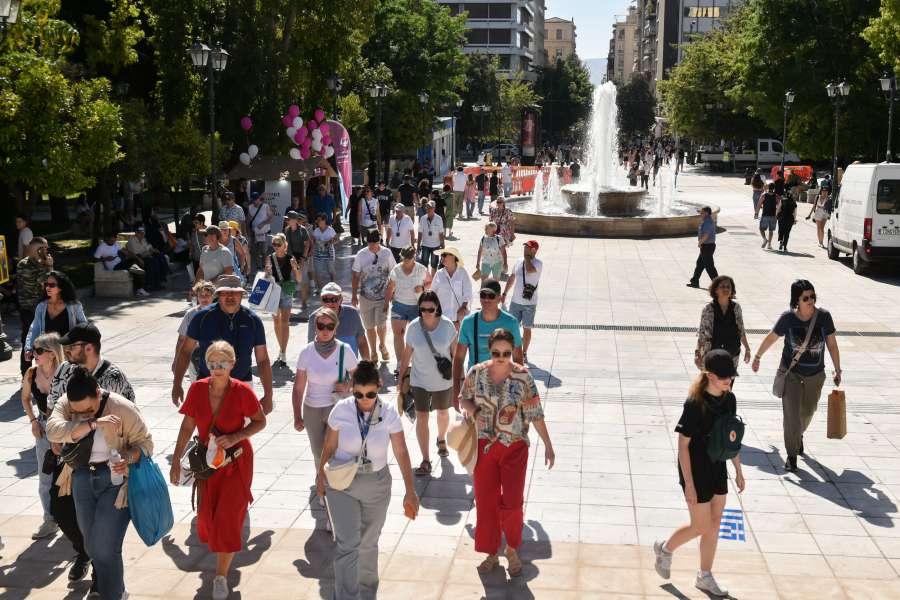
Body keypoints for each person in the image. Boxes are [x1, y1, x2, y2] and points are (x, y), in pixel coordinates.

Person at [46, 365, 153, 600]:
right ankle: (118, 590)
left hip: (115, 480)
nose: (84, 414)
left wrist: (127, 457)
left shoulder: (121, 407)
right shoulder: (67, 402)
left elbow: (146, 444)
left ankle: (112, 595)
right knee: (92, 547)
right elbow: (52, 430)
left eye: (89, 410)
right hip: (82, 477)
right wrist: (94, 423)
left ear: (98, 392)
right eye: (79, 412)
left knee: (105, 548)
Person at [170, 341, 267, 600]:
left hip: (236, 461)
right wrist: (175, 460)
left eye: (223, 363)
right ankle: (221, 567)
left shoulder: (242, 390)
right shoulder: (197, 389)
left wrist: (237, 436)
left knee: (227, 517)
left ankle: (220, 577)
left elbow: (260, 422)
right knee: (207, 517)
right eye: (212, 364)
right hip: (209, 463)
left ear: (232, 365)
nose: (217, 368)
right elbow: (187, 426)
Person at [316, 361, 419, 600]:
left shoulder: (390, 413)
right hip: (343, 485)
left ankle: (367, 596)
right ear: (352, 388)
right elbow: (330, 445)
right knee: (348, 546)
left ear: (380, 386)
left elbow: (401, 451)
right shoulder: (340, 410)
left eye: (371, 394)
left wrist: (410, 490)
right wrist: (320, 477)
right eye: (359, 394)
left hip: (377, 484)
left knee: (369, 545)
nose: (364, 399)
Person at [459, 328, 554, 578]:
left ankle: (511, 549)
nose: (501, 357)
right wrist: (475, 413)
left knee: (512, 503)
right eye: (496, 352)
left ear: (514, 351)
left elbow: (535, 414)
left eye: (507, 353)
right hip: (484, 447)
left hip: (514, 447)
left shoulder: (524, 377)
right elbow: (463, 399)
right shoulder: (476, 372)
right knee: (486, 503)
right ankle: (492, 553)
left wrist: (548, 444)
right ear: (489, 350)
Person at [653, 350, 745, 597]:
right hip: (695, 470)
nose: (728, 380)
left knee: (715, 523)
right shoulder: (695, 404)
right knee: (700, 525)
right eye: (723, 376)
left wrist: (738, 469)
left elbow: (730, 438)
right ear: (708, 374)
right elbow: (683, 446)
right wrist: (689, 485)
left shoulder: (730, 399)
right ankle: (665, 548)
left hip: (718, 467)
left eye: (731, 376)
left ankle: (705, 576)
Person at [751, 280, 841, 472]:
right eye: (805, 298)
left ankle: (797, 435)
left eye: (812, 296)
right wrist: (758, 356)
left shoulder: (824, 317)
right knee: (791, 415)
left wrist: (837, 369)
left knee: (808, 412)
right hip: (791, 373)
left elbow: (832, 344)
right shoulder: (788, 319)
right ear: (796, 300)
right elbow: (772, 337)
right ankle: (791, 456)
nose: (811, 300)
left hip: (815, 375)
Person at [172, 275, 274, 414]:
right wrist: (177, 384)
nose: (230, 296)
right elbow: (185, 351)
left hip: (243, 385)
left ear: (241, 295)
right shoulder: (201, 317)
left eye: (235, 292)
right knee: (204, 433)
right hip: (207, 385)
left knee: (242, 433)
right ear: (218, 295)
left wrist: (268, 394)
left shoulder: (253, 320)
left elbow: (262, 359)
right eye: (225, 292)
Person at [293, 308, 358, 524]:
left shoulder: (344, 350)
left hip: (336, 408)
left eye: (330, 326)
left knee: (334, 453)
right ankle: (322, 481)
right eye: (321, 326)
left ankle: (331, 493)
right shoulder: (307, 352)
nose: (325, 330)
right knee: (318, 451)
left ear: (336, 328)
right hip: (312, 408)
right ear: (315, 327)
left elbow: (360, 378)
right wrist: (296, 415)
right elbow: (299, 387)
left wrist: (348, 384)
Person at [397, 291, 458, 476]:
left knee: (443, 412)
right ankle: (425, 460)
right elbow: (407, 354)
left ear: (437, 307)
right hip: (419, 380)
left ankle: (441, 440)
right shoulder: (414, 327)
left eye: (430, 309)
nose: (426, 312)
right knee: (422, 418)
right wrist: (400, 378)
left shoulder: (447, 326)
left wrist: (461, 379)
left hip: (443, 381)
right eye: (422, 309)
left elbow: (456, 354)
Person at [22, 332, 64, 540]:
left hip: (66, 427)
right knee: (45, 473)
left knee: (70, 473)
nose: (33, 354)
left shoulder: (66, 373)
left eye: (39, 351)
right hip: (43, 426)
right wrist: (33, 421)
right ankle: (49, 519)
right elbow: (25, 398)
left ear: (52, 354)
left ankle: (72, 518)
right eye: (33, 350)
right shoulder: (31, 373)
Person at [453, 278, 524, 401]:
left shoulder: (511, 323)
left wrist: (519, 389)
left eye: (491, 296)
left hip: (503, 385)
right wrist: (455, 391)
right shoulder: (469, 322)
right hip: (475, 386)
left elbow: (518, 357)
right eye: (483, 295)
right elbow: (459, 357)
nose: (486, 299)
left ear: (499, 299)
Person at [48, 322, 136, 408]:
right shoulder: (64, 368)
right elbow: (51, 405)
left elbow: (124, 418)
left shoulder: (114, 379)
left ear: (88, 348)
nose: (67, 349)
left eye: (71, 346)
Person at [351, 230, 396, 363]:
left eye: (374, 242)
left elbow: (394, 274)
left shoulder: (387, 253)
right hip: (365, 297)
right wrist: (353, 296)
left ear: (379, 241)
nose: (372, 244)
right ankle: (373, 351)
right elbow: (356, 276)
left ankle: (382, 345)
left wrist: (393, 291)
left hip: (383, 296)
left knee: (381, 322)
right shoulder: (361, 254)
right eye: (369, 242)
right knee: (369, 326)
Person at [24, 270, 87, 360]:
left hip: (67, 353)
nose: (48, 287)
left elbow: (84, 327)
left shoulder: (74, 306)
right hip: (46, 354)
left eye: (52, 285)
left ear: (61, 287)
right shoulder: (41, 307)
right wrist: (29, 348)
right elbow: (35, 329)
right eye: (46, 284)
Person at [385, 246, 429, 372]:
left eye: (409, 257)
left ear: (414, 256)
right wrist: (386, 304)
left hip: (416, 306)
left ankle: (417, 363)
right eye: (404, 257)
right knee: (398, 334)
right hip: (399, 305)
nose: (406, 260)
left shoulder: (421, 269)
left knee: (417, 335)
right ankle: (400, 363)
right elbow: (390, 286)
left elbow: (431, 282)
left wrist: (422, 288)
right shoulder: (397, 269)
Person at [694, 276, 751, 374]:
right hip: (711, 355)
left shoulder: (736, 307)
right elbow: (702, 333)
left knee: (727, 387)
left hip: (731, 356)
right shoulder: (708, 308)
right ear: (715, 289)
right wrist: (697, 353)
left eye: (729, 286)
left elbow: (741, 330)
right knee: (711, 387)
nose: (726, 289)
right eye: (722, 286)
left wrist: (747, 350)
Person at [18, 236, 56, 374]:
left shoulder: (21, 263)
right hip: (37, 310)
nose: (47, 252)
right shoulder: (37, 267)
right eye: (45, 249)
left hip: (24, 308)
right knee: (44, 343)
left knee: (26, 341)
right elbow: (50, 286)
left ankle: (26, 373)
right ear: (39, 250)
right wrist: (50, 265)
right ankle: (45, 373)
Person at [265, 232, 303, 366]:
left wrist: (295, 266)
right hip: (274, 291)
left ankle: (283, 352)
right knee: (276, 322)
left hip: (286, 290)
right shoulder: (270, 258)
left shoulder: (290, 258)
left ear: (284, 245)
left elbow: (299, 279)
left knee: (285, 322)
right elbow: (266, 278)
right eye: (274, 244)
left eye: (278, 244)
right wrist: (267, 272)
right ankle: (281, 349)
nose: (276, 246)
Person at [502, 240, 542, 363]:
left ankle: (524, 352)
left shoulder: (538, 263)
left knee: (527, 328)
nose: (525, 249)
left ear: (534, 250)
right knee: (510, 327)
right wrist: (504, 293)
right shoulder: (519, 261)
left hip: (529, 303)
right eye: (525, 247)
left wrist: (527, 258)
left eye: (528, 248)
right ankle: (516, 347)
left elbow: (529, 270)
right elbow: (512, 278)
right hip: (515, 301)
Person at [307, 282, 370, 359]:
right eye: (326, 299)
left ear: (341, 300)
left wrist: (367, 364)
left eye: (334, 299)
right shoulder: (313, 318)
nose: (330, 303)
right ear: (321, 300)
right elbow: (310, 347)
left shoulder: (353, 313)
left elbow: (362, 342)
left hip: (350, 368)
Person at [173, 281, 215, 384]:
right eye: (201, 295)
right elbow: (181, 339)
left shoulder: (219, 312)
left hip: (215, 358)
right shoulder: (190, 314)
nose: (204, 298)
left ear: (213, 296)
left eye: (207, 295)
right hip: (193, 357)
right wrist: (177, 361)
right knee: (197, 387)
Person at [429, 248, 472, 332]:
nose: (442, 258)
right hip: (441, 317)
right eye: (441, 255)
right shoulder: (439, 274)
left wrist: (463, 306)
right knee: (441, 343)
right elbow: (432, 293)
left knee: (456, 344)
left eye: (444, 255)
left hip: (457, 317)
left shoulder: (463, 273)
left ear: (453, 257)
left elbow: (468, 293)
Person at [125, 226, 171, 290]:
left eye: (143, 234)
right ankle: (150, 285)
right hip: (135, 260)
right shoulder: (132, 242)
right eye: (140, 233)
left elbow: (147, 251)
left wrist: (146, 254)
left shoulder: (143, 239)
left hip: (144, 258)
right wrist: (146, 254)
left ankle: (156, 283)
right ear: (136, 233)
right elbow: (137, 255)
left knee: (155, 261)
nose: (142, 235)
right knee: (152, 262)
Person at [283, 211, 311, 308]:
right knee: (290, 281)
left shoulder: (302, 230)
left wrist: (303, 258)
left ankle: (304, 302)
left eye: (288, 219)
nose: (286, 221)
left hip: (300, 258)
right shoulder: (287, 230)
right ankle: (288, 303)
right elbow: (285, 244)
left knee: (302, 281)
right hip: (290, 258)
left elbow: (307, 244)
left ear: (295, 220)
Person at [687, 206, 718, 288]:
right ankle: (694, 281)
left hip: (707, 246)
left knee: (710, 267)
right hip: (707, 246)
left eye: (702, 212)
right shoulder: (708, 219)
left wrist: (700, 243)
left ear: (706, 213)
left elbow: (706, 234)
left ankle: (719, 285)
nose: (700, 213)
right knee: (700, 264)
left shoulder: (707, 221)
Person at [416, 201, 445, 276]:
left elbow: (441, 234)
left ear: (434, 208)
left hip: (436, 246)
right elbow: (420, 233)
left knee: (434, 265)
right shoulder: (423, 219)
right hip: (425, 245)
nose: (428, 209)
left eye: (430, 208)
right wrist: (418, 245)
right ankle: (427, 279)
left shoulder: (439, 219)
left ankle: (433, 281)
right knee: (424, 265)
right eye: (427, 208)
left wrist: (443, 248)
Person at [312, 212, 339, 292]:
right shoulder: (316, 230)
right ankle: (320, 287)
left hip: (329, 253)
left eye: (320, 220)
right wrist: (312, 242)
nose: (318, 222)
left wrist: (330, 242)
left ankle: (333, 283)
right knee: (318, 271)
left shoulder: (330, 230)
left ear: (324, 220)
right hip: (318, 253)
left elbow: (336, 240)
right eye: (317, 220)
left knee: (331, 270)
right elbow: (312, 240)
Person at [247, 192, 275, 271]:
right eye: (253, 200)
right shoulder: (250, 207)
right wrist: (248, 230)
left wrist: (263, 223)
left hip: (264, 231)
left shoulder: (265, 206)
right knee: (255, 251)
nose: (254, 201)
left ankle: (264, 267)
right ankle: (258, 268)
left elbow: (272, 217)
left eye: (256, 200)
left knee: (264, 250)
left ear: (259, 199)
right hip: (254, 232)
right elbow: (248, 219)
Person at [754, 183, 778, 249]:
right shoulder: (776, 196)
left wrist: (756, 213)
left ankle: (764, 239)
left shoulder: (763, 195)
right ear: (774, 188)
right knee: (771, 230)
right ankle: (769, 244)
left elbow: (759, 205)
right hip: (773, 215)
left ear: (768, 188)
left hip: (765, 215)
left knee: (761, 229)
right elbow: (779, 206)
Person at [776, 188, 798, 252]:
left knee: (781, 230)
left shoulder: (782, 201)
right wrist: (794, 220)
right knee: (787, 232)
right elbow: (795, 212)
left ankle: (781, 242)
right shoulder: (794, 203)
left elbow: (778, 209)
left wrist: (776, 215)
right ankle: (785, 246)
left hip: (782, 217)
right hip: (790, 218)